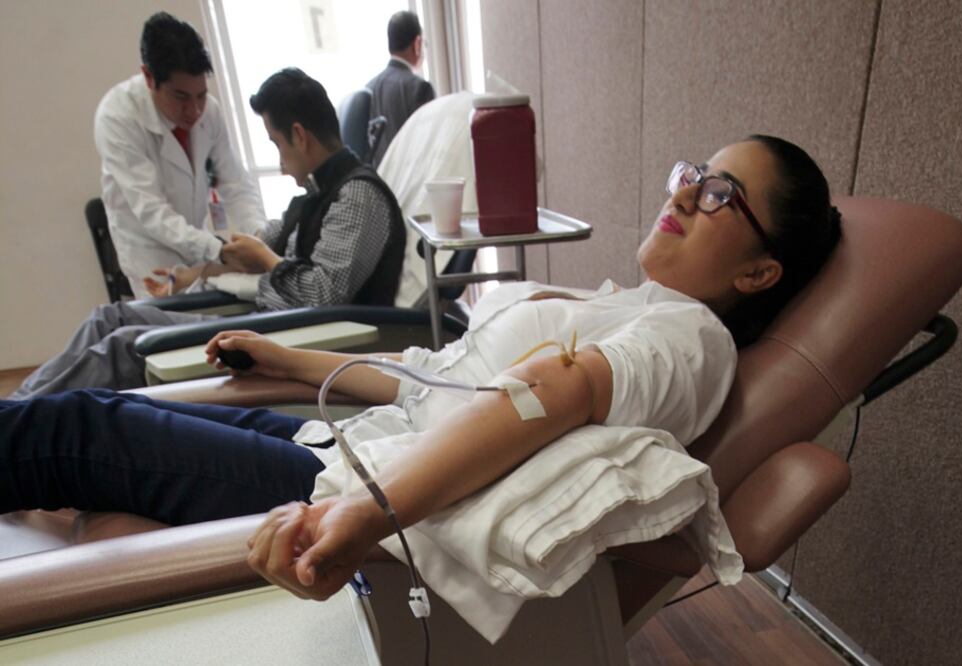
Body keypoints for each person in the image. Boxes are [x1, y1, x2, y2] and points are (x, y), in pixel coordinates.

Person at [1, 136, 840, 633]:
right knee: (98, 418)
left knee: (72, 428)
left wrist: (370, 511)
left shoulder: (690, 336)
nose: (687, 192)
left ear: (761, 271)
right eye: (692, 173)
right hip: (355, 450)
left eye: (720, 193)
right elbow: (431, 384)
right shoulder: (622, 304)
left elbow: (563, 387)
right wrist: (288, 361)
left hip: (359, 491)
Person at [9, 68, 405, 400]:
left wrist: (265, 261)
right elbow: (260, 242)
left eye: (277, 144)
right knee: (109, 318)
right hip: (274, 320)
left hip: (303, 336)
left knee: (121, 348)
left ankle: (16, 425)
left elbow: (324, 295)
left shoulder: (357, 196)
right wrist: (198, 271)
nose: (281, 165)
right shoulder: (315, 194)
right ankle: (16, 405)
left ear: (300, 135)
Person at [95, 12, 267, 297]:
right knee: (175, 329)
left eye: (200, 95)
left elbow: (235, 182)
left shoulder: (208, 111)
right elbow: (151, 211)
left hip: (197, 243)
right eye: (181, 97)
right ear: (149, 77)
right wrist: (219, 250)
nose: (194, 110)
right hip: (150, 253)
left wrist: (261, 237)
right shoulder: (118, 116)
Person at [363, 10, 436, 166]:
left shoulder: (368, 89)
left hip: (378, 185)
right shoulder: (419, 88)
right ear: (417, 44)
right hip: (411, 184)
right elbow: (430, 147)